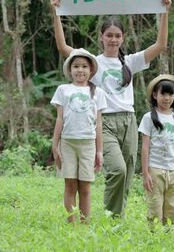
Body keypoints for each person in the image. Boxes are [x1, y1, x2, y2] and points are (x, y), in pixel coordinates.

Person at [50, 0, 171, 217]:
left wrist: (165, 11)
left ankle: (117, 218)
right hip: (105, 122)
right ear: (101, 37)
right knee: (118, 169)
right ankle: (109, 214)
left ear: (122, 38)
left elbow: (161, 44)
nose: (113, 39)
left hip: (129, 120)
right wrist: (56, 13)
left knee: (128, 172)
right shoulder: (93, 64)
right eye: (109, 35)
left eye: (117, 35)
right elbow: (63, 47)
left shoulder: (131, 61)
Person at [51, 48, 107, 223]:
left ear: (91, 70)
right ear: (70, 70)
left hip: (88, 143)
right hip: (67, 143)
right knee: (70, 185)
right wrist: (55, 145)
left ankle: (85, 223)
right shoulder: (63, 90)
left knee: (85, 186)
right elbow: (59, 119)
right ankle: (72, 223)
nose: (80, 70)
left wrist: (99, 151)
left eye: (84, 66)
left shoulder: (98, 92)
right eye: (76, 66)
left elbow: (98, 124)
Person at [139, 74, 174, 226]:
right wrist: (146, 173)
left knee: (171, 209)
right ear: (155, 95)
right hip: (155, 170)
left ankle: (169, 238)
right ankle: (154, 240)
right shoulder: (149, 118)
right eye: (163, 94)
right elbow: (145, 147)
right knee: (155, 209)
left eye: (170, 94)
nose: (166, 98)